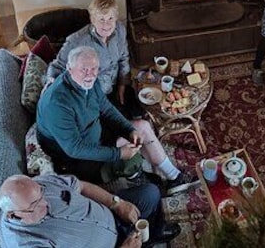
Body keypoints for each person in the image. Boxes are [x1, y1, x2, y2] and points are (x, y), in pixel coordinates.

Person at [37, 46, 196, 195]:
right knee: (131, 157)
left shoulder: (89, 81)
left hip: (93, 130)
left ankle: (174, 177)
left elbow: (106, 108)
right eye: (84, 70)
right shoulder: (57, 103)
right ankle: (139, 181)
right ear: (69, 69)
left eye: (94, 69)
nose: (90, 74)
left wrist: (129, 130)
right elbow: (74, 148)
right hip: (78, 159)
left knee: (142, 127)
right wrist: (118, 153)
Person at [0, 173, 181, 247]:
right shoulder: (25, 243)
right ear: (14, 215)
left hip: (111, 214)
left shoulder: (39, 184)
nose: (46, 203)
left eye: (42, 194)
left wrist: (115, 203)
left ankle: (153, 234)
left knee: (150, 193)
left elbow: (82, 186)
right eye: (36, 205)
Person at [47, 0, 143, 119]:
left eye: (110, 18)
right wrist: (51, 88)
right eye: (101, 20)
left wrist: (122, 84)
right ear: (92, 20)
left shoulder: (120, 30)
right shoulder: (77, 41)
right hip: (95, 92)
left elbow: (124, 57)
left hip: (115, 83)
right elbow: (57, 66)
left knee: (138, 113)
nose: (107, 24)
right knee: (116, 126)